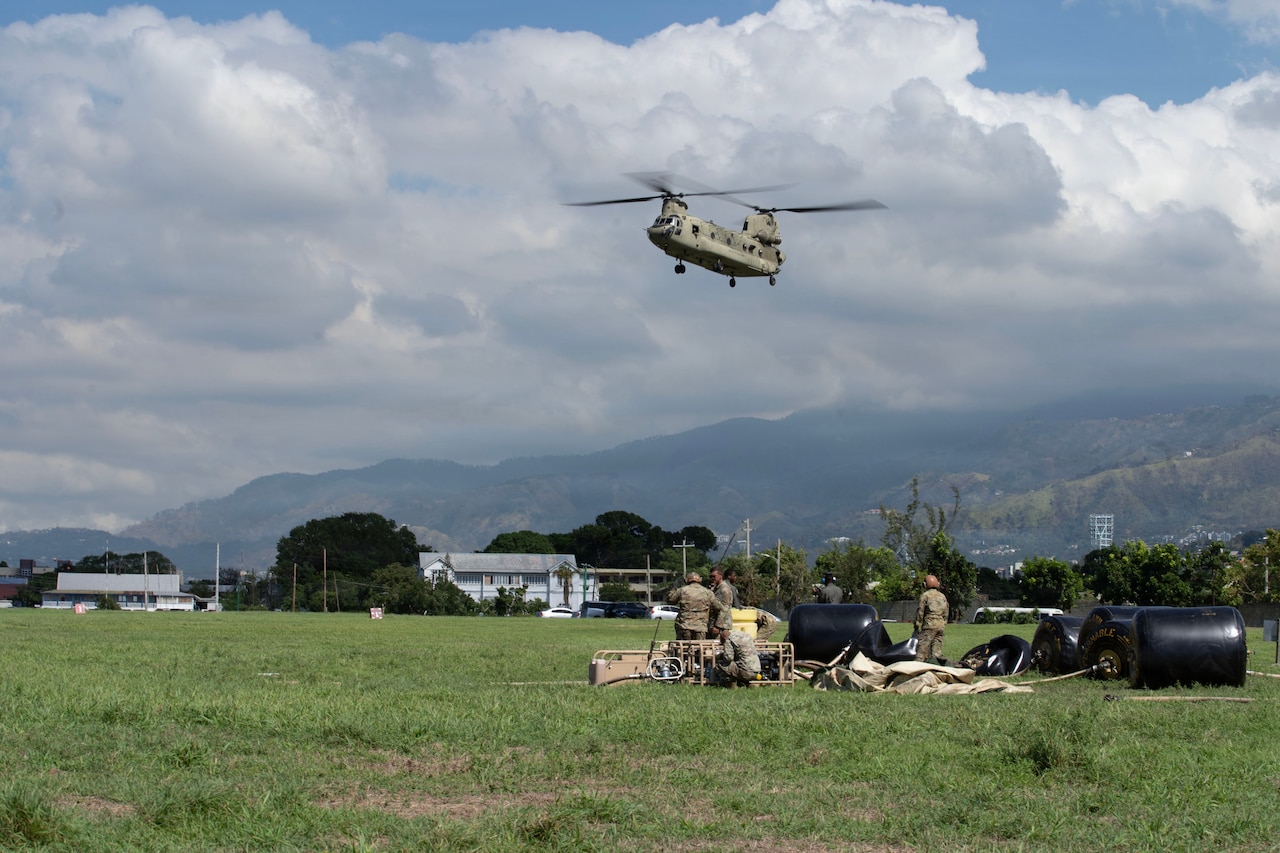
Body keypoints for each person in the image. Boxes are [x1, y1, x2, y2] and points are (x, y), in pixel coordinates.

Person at [723, 566, 779, 642]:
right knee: (769, 621)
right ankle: (757, 641)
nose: (736, 578)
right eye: (734, 576)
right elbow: (736, 605)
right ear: (729, 576)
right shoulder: (731, 588)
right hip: (733, 612)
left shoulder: (720, 586)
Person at [666, 571, 714, 640]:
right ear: (700, 580)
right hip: (700, 628)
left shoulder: (682, 590)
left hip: (685, 626)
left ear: (686, 580)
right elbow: (717, 606)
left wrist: (674, 588)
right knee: (700, 648)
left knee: (684, 648)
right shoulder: (707, 592)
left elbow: (670, 600)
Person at [914, 574, 949, 663]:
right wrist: (943, 622)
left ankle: (916, 669)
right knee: (937, 652)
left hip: (929, 626)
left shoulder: (925, 596)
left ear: (925, 584)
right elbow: (946, 611)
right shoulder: (942, 596)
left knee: (922, 650)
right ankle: (936, 667)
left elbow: (920, 612)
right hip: (940, 626)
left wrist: (917, 624)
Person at [709, 567, 734, 637]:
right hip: (714, 622)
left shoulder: (724, 589)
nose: (712, 578)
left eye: (714, 576)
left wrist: (718, 626)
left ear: (720, 576)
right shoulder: (716, 588)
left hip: (722, 626)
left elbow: (725, 608)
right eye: (710, 577)